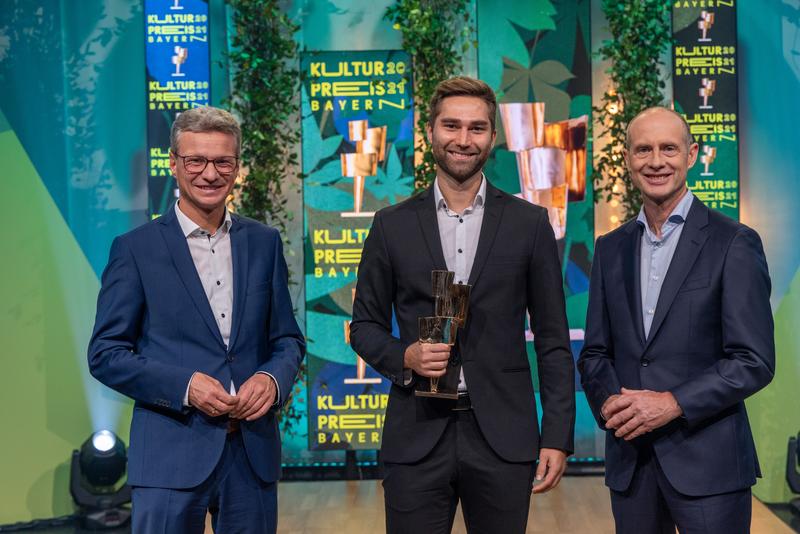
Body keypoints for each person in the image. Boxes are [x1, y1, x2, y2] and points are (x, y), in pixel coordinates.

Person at [350, 76, 575, 533]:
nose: (463, 139)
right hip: (416, 431)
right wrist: (405, 356)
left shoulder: (529, 224)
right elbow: (364, 325)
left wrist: (557, 436)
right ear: (430, 132)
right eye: (451, 126)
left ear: (493, 137)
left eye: (476, 128)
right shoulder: (391, 225)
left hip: (502, 436)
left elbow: (553, 340)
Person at [88, 106, 305, 533]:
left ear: (237, 167)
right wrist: (186, 386)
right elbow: (106, 354)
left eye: (222, 161)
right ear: (174, 162)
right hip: (169, 456)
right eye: (196, 161)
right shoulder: (135, 249)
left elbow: (287, 340)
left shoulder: (264, 243)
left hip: (251, 456)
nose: (210, 173)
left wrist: (272, 380)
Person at [578, 106, 775, 533]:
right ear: (628, 159)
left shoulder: (734, 242)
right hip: (632, 463)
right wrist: (615, 406)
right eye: (643, 149)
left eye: (669, 148)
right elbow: (595, 352)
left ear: (691, 154)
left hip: (710, 466)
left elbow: (752, 360)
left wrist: (671, 404)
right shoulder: (610, 248)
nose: (656, 161)